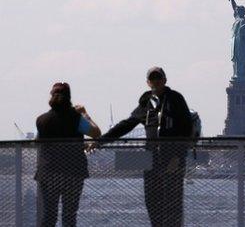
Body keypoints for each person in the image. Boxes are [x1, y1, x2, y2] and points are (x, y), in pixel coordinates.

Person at [101, 66, 193, 227]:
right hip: (151, 161)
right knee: (152, 202)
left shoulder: (176, 99)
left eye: (159, 78)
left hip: (172, 161)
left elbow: (187, 129)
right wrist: (101, 141)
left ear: (165, 80)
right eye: (153, 79)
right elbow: (127, 125)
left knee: (173, 205)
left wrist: (177, 158)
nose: (156, 82)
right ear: (148, 82)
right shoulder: (146, 103)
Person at [35, 82, 101, 227]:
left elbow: (38, 141)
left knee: (48, 215)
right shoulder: (76, 118)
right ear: (69, 98)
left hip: (48, 173)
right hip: (73, 173)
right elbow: (96, 133)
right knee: (69, 216)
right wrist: (84, 113)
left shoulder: (41, 120)